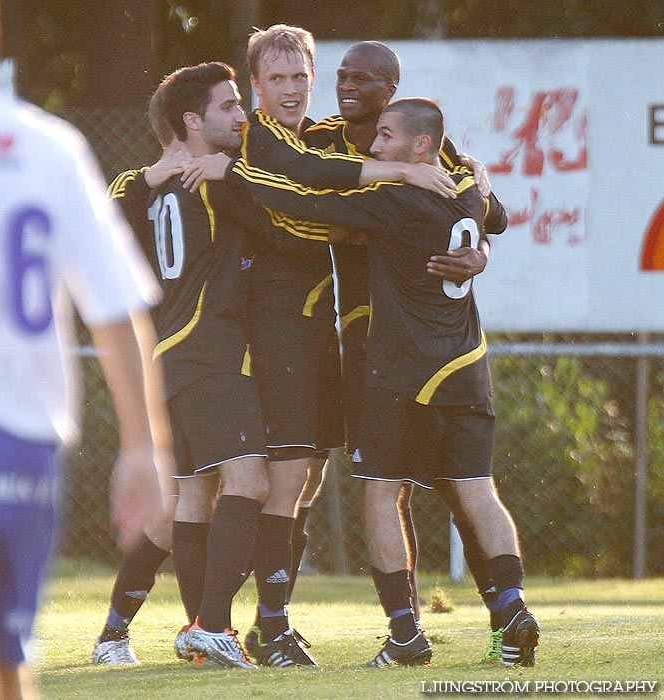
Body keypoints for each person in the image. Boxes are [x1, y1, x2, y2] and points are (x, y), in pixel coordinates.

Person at [225, 97, 540, 668]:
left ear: (421, 145)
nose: (376, 147)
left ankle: (403, 636)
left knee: (379, 491)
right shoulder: (466, 180)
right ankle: (515, 611)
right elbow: (492, 213)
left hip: (404, 373)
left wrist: (235, 169)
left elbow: (302, 206)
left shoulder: (397, 200)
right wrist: (483, 240)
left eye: (388, 136)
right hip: (469, 366)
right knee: (477, 490)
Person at [181, 24, 456, 668]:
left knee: (305, 480)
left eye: (301, 76)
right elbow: (304, 195)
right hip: (276, 329)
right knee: (285, 477)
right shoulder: (261, 135)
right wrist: (391, 183)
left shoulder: (325, 132)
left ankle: (259, 624)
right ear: (256, 86)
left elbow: (442, 160)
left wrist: (476, 219)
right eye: (276, 79)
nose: (292, 90)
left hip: (314, 331)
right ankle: (248, 626)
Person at [0, 1, 166, 698]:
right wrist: (143, 447)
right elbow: (115, 308)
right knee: (9, 662)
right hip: (24, 447)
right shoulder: (48, 145)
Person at [303, 40, 507, 662]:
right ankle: (407, 623)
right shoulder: (321, 139)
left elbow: (489, 215)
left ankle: (489, 616)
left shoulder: (437, 149)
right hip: (365, 331)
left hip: (406, 336)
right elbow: (301, 179)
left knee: (437, 484)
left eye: (362, 79)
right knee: (384, 485)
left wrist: (479, 254)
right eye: (340, 77)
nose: (346, 87)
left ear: (392, 89)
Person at [132, 62, 285, 671]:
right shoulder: (212, 182)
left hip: (171, 351)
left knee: (194, 495)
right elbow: (286, 229)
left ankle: (199, 632)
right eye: (227, 107)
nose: (241, 116)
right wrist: (240, 174)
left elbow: (120, 202)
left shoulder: (158, 187)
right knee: (251, 481)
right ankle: (217, 626)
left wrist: (143, 176)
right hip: (208, 350)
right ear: (193, 123)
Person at [92, 83, 195, 668]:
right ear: (188, 120)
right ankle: (119, 632)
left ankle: (215, 627)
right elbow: (99, 220)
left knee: (248, 494)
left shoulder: (239, 173)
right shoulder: (144, 186)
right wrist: (151, 177)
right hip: (173, 365)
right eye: (226, 106)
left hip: (234, 357)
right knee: (186, 502)